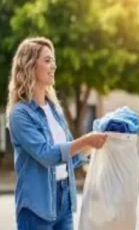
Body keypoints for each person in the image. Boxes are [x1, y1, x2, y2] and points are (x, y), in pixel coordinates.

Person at [6, 37, 108, 230]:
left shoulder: (54, 109)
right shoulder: (20, 114)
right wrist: (87, 139)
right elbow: (48, 155)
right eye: (47, 60)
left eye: (53, 60)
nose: (53, 66)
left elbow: (71, 157)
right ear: (30, 66)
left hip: (63, 202)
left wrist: (98, 140)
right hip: (36, 207)